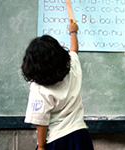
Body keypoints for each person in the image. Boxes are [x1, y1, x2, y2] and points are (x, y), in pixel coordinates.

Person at [21, 20, 94, 150]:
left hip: (57, 140)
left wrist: (41, 146)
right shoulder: (72, 67)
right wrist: (73, 32)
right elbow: (73, 51)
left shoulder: (39, 88)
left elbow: (41, 121)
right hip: (80, 135)